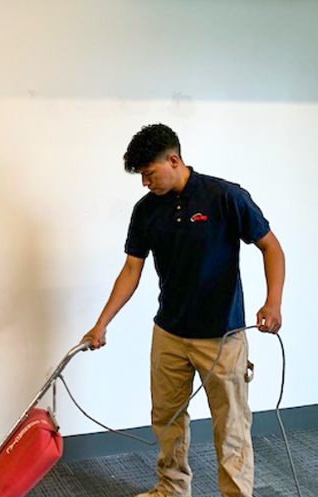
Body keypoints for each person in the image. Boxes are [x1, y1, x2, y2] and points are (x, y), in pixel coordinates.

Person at [80, 124, 285, 497]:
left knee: (232, 425)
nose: (144, 183)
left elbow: (271, 247)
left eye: (148, 173)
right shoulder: (146, 211)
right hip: (170, 333)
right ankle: (172, 489)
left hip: (222, 335)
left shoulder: (224, 196)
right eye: (140, 176)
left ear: (173, 160)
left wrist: (273, 302)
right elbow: (131, 270)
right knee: (166, 418)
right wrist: (101, 324)